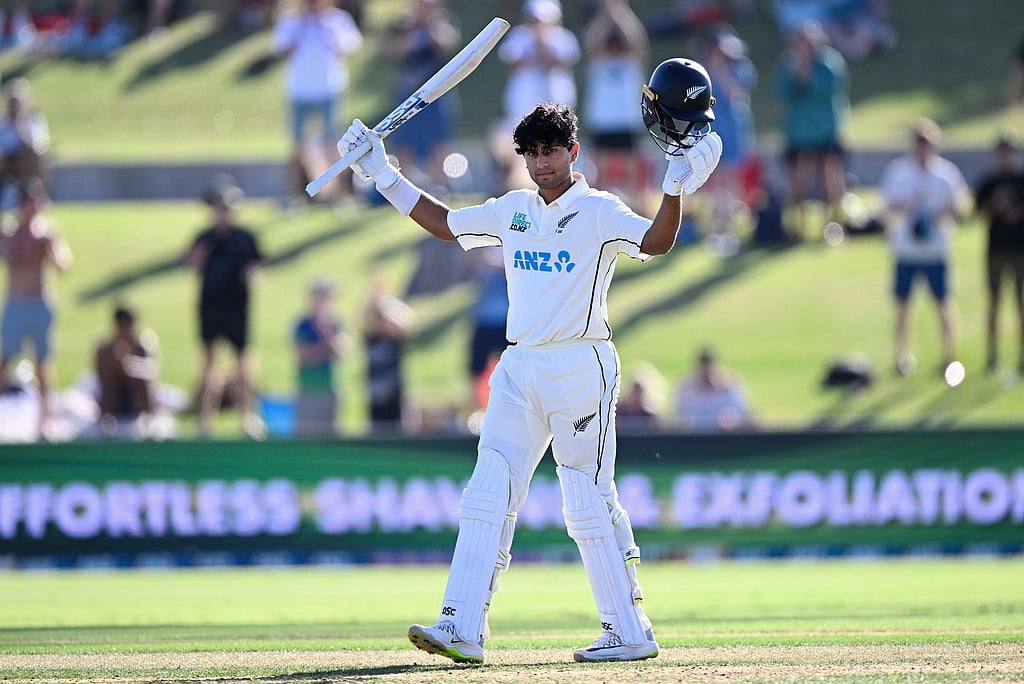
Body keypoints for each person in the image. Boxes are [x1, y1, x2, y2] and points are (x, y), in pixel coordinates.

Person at [335, 56, 722, 663]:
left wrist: (674, 185)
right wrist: (380, 171)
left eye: (552, 151)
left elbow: (654, 243)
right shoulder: (512, 209)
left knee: (587, 502)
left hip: (582, 364)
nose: (542, 163)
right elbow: (445, 224)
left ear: (573, 151)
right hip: (518, 368)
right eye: (532, 154)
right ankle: (461, 625)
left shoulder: (599, 211)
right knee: (486, 494)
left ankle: (630, 631)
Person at [879, 118, 969, 377]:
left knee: (943, 303)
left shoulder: (946, 174)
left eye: (927, 144)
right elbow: (887, 207)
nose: (922, 149)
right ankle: (901, 356)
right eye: (918, 144)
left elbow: (960, 207)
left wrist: (939, 214)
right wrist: (907, 206)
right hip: (906, 250)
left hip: (935, 250)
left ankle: (949, 357)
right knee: (903, 304)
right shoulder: (899, 173)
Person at [184, 175, 265, 438]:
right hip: (210, 307)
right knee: (209, 364)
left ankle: (248, 417)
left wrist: (251, 275)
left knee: (243, 363)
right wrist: (199, 257)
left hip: (236, 307)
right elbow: (191, 265)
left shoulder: (244, 238)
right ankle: (205, 419)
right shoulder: (204, 238)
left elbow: (257, 265)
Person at [0, 177, 72, 440]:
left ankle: (45, 420)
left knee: (42, 363)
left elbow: (64, 264)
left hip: (40, 302)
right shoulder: (9, 233)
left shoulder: (47, 233)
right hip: (15, 302)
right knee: (4, 361)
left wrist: (49, 248)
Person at [272, 0, 362, 204]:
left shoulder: (336, 20)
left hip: (329, 89)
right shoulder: (291, 21)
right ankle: (293, 196)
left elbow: (350, 47)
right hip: (299, 90)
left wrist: (326, 28)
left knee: (334, 144)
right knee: (297, 145)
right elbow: (282, 50)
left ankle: (338, 194)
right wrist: (302, 27)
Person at [493, 0, 580, 191]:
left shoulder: (563, 38)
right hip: (522, 107)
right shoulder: (519, 37)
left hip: (556, 110)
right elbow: (512, 60)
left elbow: (559, 60)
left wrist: (540, 45)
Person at [776, 19, 850, 238]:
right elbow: (785, 91)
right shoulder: (789, 63)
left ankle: (832, 224)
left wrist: (808, 67)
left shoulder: (830, 63)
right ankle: (797, 226)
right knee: (798, 182)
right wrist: (802, 64)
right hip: (798, 132)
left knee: (830, 179)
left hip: (825, 130)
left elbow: (828, 89)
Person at [386, 0, 461, 187]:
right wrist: (413, 28)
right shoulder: (404, 25)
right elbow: (397, 52)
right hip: (408, 93)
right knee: (404, 143)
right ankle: (399, 186)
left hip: (436, 94)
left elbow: (446, 46)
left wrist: (430, 25)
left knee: (439, 143)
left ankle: (443, 185)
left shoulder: (441, 24)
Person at [581, 0, 649, 200]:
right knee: (600, 171)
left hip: (627, 120)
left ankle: (634, 208)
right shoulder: (598, 64)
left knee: (632, 171)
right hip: (603, 121)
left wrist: (620, 10)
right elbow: (592, 41)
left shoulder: (632, 65)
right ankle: (601, 208)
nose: (614, 48)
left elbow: (638, 41)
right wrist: (606, 13)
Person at [974, 136, 1024, 374]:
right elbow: (976, 213)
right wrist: (994, 204)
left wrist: (1015, 210)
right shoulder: (990, 181)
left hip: (1020, 249)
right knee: (994, 302)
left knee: (1020, 304)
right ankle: (992, 357)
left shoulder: (1021, 181)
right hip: (995, 249)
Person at [293, 276, 349, 437]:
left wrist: (325, 334)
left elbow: (342, 352)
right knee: (306, 437)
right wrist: (325, 349)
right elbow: (303, 356)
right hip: (308, 389)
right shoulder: (302, 324)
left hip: (330, 388)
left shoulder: (335, 323)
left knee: (330, 436)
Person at [94, 304, 160, 436]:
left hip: (135, 399)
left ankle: (149, 423)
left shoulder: (143, 345)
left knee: (141, 382)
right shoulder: (106, 348)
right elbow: (100, 377)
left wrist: (130, 366)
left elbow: (152, 372)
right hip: (114, 400)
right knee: (110, 382)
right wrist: (116, 365)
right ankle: (105, 424)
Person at [361, 272, 413, 434]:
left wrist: (387, 303)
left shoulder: (396, 341)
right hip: (375, 395)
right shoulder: (371, 338)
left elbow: (406, 322)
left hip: (394, 395)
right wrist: (374, 295)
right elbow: (363, 316)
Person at [467, 246, 509, 408]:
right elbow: (471, 264)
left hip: (507, 319)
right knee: (476, 367)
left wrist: (498, 265)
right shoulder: (483, 240)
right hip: (484, 318)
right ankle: (475, 407)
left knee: (515, 366)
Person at [675, 346, 751, 431]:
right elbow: (681, 415)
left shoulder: (730, 383)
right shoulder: (685, 385)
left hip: (725, 435)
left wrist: (728, 418)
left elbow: (739, 411)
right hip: (693, 435)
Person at [0, 79, 50, 202]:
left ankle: (39, 193)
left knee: (38, 154)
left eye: (17, 103)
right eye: (12, 103)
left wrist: (19, 127)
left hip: (26, 161)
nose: (14, 107)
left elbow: (38, 147)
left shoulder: (34, 121)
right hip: (5, 161)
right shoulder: (2, 122)